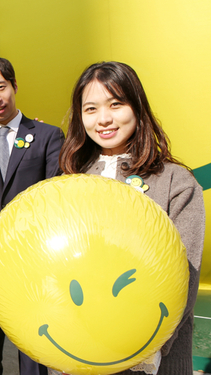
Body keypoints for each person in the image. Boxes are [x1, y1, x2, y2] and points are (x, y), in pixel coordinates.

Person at [58, 61, 205, 375]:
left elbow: (184, 279)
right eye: (91, 109)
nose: (104, 119)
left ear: (137, 107)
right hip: (79, 353)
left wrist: (145, 345)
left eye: (115, 104)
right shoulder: (69, 183)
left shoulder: (176, 183)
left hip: (151, 357)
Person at [0, 54, 64, 375]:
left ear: (14, 86)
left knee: (34, 354)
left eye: (1, 87)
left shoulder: (48, 136)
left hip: (32, 264)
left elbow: (54, 196)